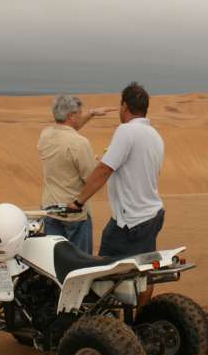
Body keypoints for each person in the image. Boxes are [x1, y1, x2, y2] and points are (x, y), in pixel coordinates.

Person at [67, 83, 165, 263]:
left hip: (131, 221)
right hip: (152, 215)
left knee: (105, 268)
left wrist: (78, 202)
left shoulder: (126, 131)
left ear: (125, 106)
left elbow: (104, 170)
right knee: (143, 266)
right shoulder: (155, 135)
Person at [38, 95, 112, 254]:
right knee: (80, 262)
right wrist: (102, 162)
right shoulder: (80, 143)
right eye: (79, 113)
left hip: (50, 211)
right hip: (75, 215)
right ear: (71, 116)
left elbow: (68, 130)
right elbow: (91, 179)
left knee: (55, 260)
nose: (80, 116)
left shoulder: (46, 135)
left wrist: (91, 113)